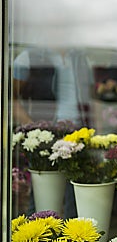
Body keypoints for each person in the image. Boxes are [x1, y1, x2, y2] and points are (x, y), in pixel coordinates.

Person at [12, 46, 93, 219]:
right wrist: (33, 129)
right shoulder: (29, 57)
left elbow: (90, 99)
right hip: (46, 135)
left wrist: (94, 132)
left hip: (77, 134)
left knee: (77, 196)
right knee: (42, 197)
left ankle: (72, 237)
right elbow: (11, 98)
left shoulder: (79, 58)